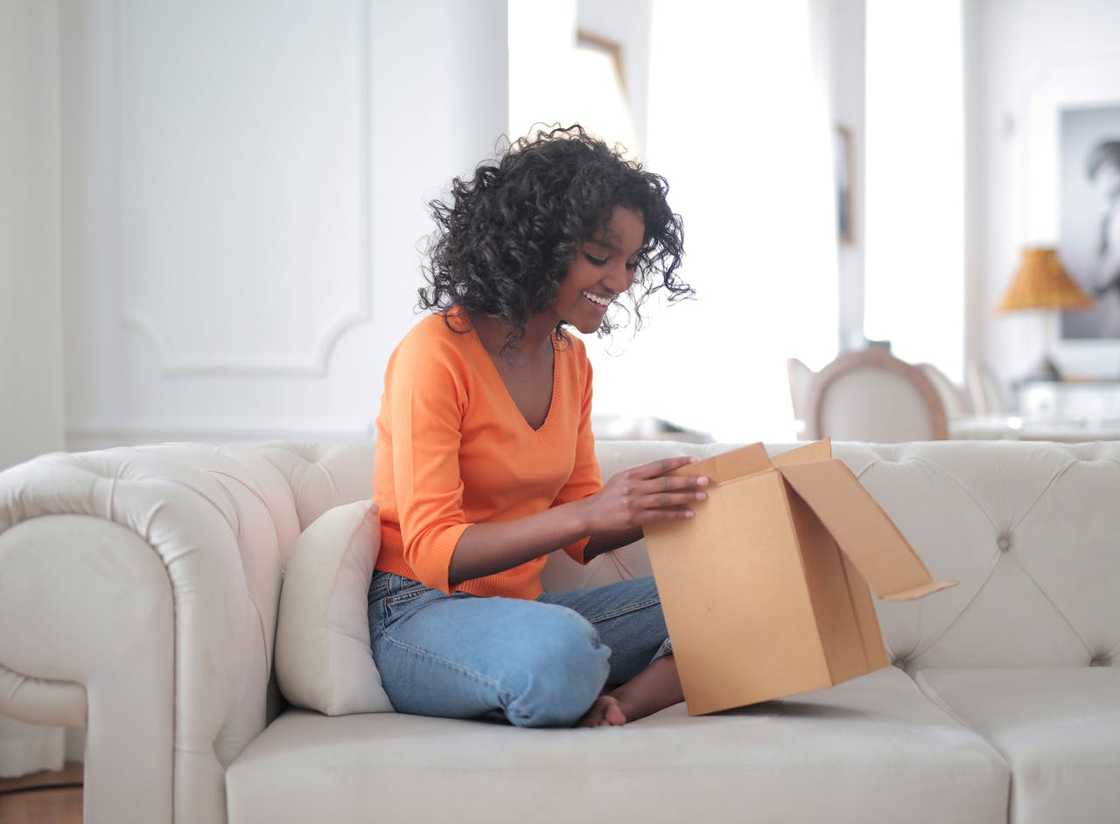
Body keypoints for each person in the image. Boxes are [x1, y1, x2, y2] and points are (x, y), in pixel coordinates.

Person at [368, 123, 699, 729]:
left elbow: (580, 527)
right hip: (416, 613)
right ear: (537, 244)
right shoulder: (435, 354)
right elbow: (435, 550)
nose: (620, 281)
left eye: (629, 262)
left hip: (526, 612)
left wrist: (660, 504)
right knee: (559, 648)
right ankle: (565, 678)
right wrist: (590, 513)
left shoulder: (570, 361)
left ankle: (618, 705)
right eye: (601, 257)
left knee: (732, 593)